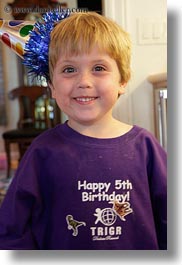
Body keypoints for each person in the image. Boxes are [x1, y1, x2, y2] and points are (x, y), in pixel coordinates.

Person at [0, 11, 167, 250]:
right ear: (52, 86)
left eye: (99, 67)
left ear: (123, 80)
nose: (84, 81)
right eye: (69, 70)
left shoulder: (146, 147)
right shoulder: (42, 152)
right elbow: (11, 230)